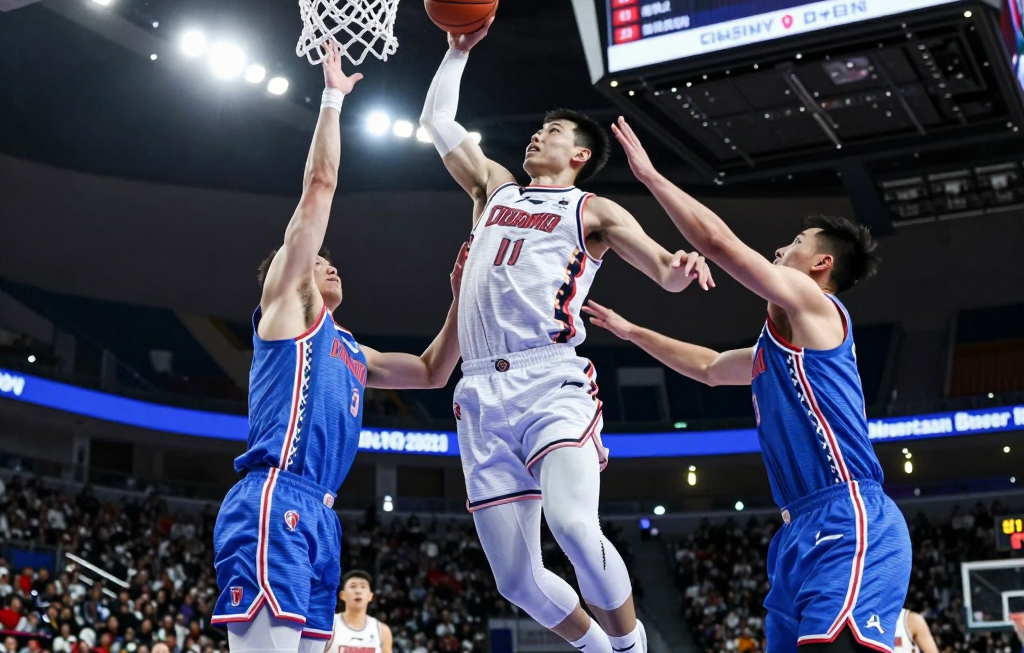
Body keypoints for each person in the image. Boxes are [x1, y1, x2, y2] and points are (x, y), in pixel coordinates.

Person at [418, 19, 713, 653]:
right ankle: (598, 650)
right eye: (537, 128)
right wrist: (455, 52)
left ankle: (631, 646)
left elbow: (663, 272)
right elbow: (439, 122)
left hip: (550, 377)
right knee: (517, 581)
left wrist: (683, 266)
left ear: (579, 154)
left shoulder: (595, 210)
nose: (537, 134)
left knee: (574, 525)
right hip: (478, 392)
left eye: (552, 131)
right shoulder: (493, 189)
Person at [583, 117, 912, 653]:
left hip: (849, 514)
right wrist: (631, 331)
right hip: (796, 531)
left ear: (822, 264)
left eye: (795, 243)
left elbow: (718, 242)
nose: (781, 249)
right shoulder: (771, 353)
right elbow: (710, 367)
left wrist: (650, 177)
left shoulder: (817, 306)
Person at [211, 42, 467, 653]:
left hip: (322, 517)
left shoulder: (353, 351)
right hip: (273, 498)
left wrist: (463, 294)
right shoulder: (287, 314)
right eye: (314, 259)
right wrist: (332, 101)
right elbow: (320, 188)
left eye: (328, 259)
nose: (327, 263)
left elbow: (434, 372)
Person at [324, 571, 392, 653]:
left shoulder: (382, 630)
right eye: (353, 586)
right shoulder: (329, 625)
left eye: (363, 587)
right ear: (343, 595)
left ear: (370, 596)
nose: (358, 591)